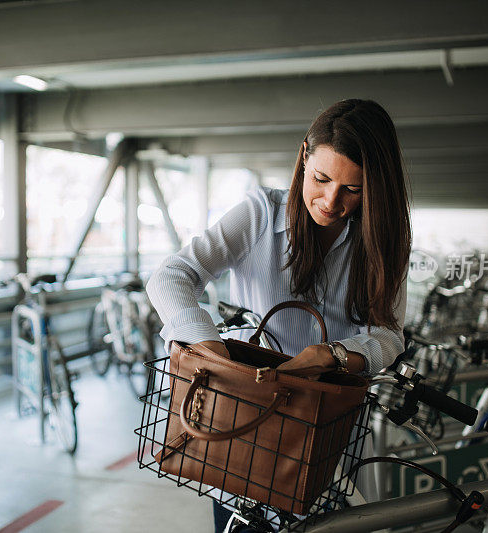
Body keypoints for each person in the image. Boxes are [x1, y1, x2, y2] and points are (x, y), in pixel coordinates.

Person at [146, 98, 411, 531]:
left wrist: (332, 355)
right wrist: (209, 346)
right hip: (243, 426)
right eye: (321, 179)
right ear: (304, 155)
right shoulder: (261, 214)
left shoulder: (386, 242)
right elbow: (172, 274)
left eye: (353, 189)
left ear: (376, 187)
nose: (330, 201)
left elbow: (388, 336)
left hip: (325, 431)